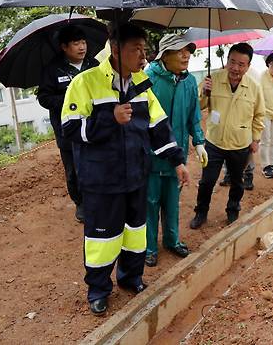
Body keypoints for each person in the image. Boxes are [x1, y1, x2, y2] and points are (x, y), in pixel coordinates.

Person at [61, 23, 190, 316]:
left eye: (145, 49)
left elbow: (158, 126)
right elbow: (70, 130)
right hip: (101, 180)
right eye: (137, 49)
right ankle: (98, 289)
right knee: (102, 239)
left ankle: (131, 278)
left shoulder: (142, 84)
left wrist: (177, 160)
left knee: (135, 234)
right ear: (116, 49)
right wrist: (109, 118)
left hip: (135, 176)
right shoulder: (85, 83)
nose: (143, 55)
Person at [144, 33, 208, 267]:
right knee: (150, 202)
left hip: (177, 155)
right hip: (151, 155)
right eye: (180, 50)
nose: (186, 55)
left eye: (188, 50)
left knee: (172, 201)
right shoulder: (147, 78)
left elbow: (194, 115)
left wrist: (199, 142)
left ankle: (172, 240)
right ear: (164, 55)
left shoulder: (189, 81)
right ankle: (149, 247)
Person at [190, 42, 265, 229]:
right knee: (207, 181)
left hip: (240, 144)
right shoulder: (212, 79)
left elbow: (259, 115)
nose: (235, 68)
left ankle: (233, 210)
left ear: (248, 67)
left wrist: (255, 139)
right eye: (232, 62)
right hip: (214, 142)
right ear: (227, 61)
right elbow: (198, 107)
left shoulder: (254, 87)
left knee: (237, 182)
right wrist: (203, 93)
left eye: (241, 64)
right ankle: (201, 212)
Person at [37, 25, 99, 223]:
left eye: (83, 42)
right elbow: (44, 98)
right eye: (76, 44)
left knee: (96, 163)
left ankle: (98, 198)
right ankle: (81, 203)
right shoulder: (53, 69)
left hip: (93, 127)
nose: (82, 47)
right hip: (68, 131)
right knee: (73, 169)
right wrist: (69, 99)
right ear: (64, 47)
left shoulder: (94, 65)